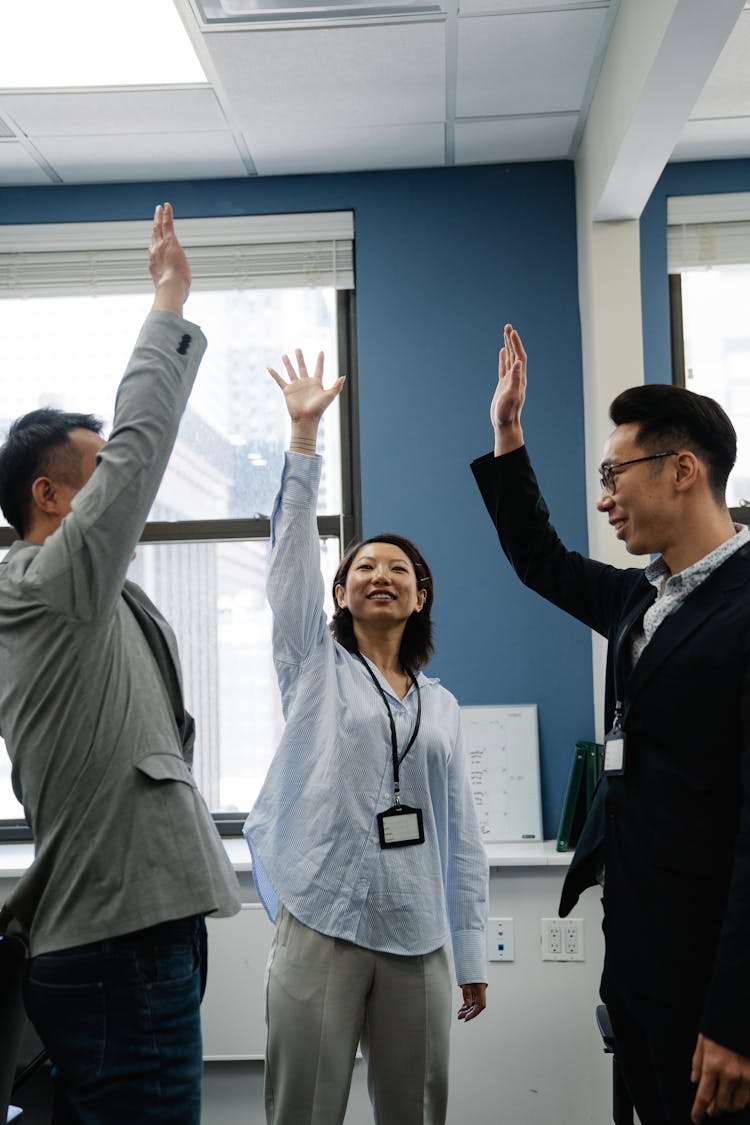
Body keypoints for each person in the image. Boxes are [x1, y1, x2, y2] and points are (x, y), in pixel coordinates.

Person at [471, 324, 750, 1125]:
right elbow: (541, 559)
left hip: (715, 979)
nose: (603, 497)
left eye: (612, 475)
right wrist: (507, 435)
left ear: (684, 470)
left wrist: (736, 1016)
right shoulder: (641, 600)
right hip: (638, 959)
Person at [0, 203, 241, 1124]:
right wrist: (169, 303)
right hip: (114, 945)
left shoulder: (98, 598)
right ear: (49, 494)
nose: (120, 490)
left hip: (141, 931)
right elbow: (139, 452)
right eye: (94, 475)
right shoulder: (39, 584)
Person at [243, 349, 488, 1125]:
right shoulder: (312, 668)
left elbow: (464, 834)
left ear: (421, 597)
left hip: (418, 931)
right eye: (363, 567)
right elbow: (288, 567)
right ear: (342, 593)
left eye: (400, 569)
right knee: (303, 1110)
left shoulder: (442, 705)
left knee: (415, 1110)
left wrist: (472, 952)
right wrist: (305, 437)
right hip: (323, 921)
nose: (381, 574)